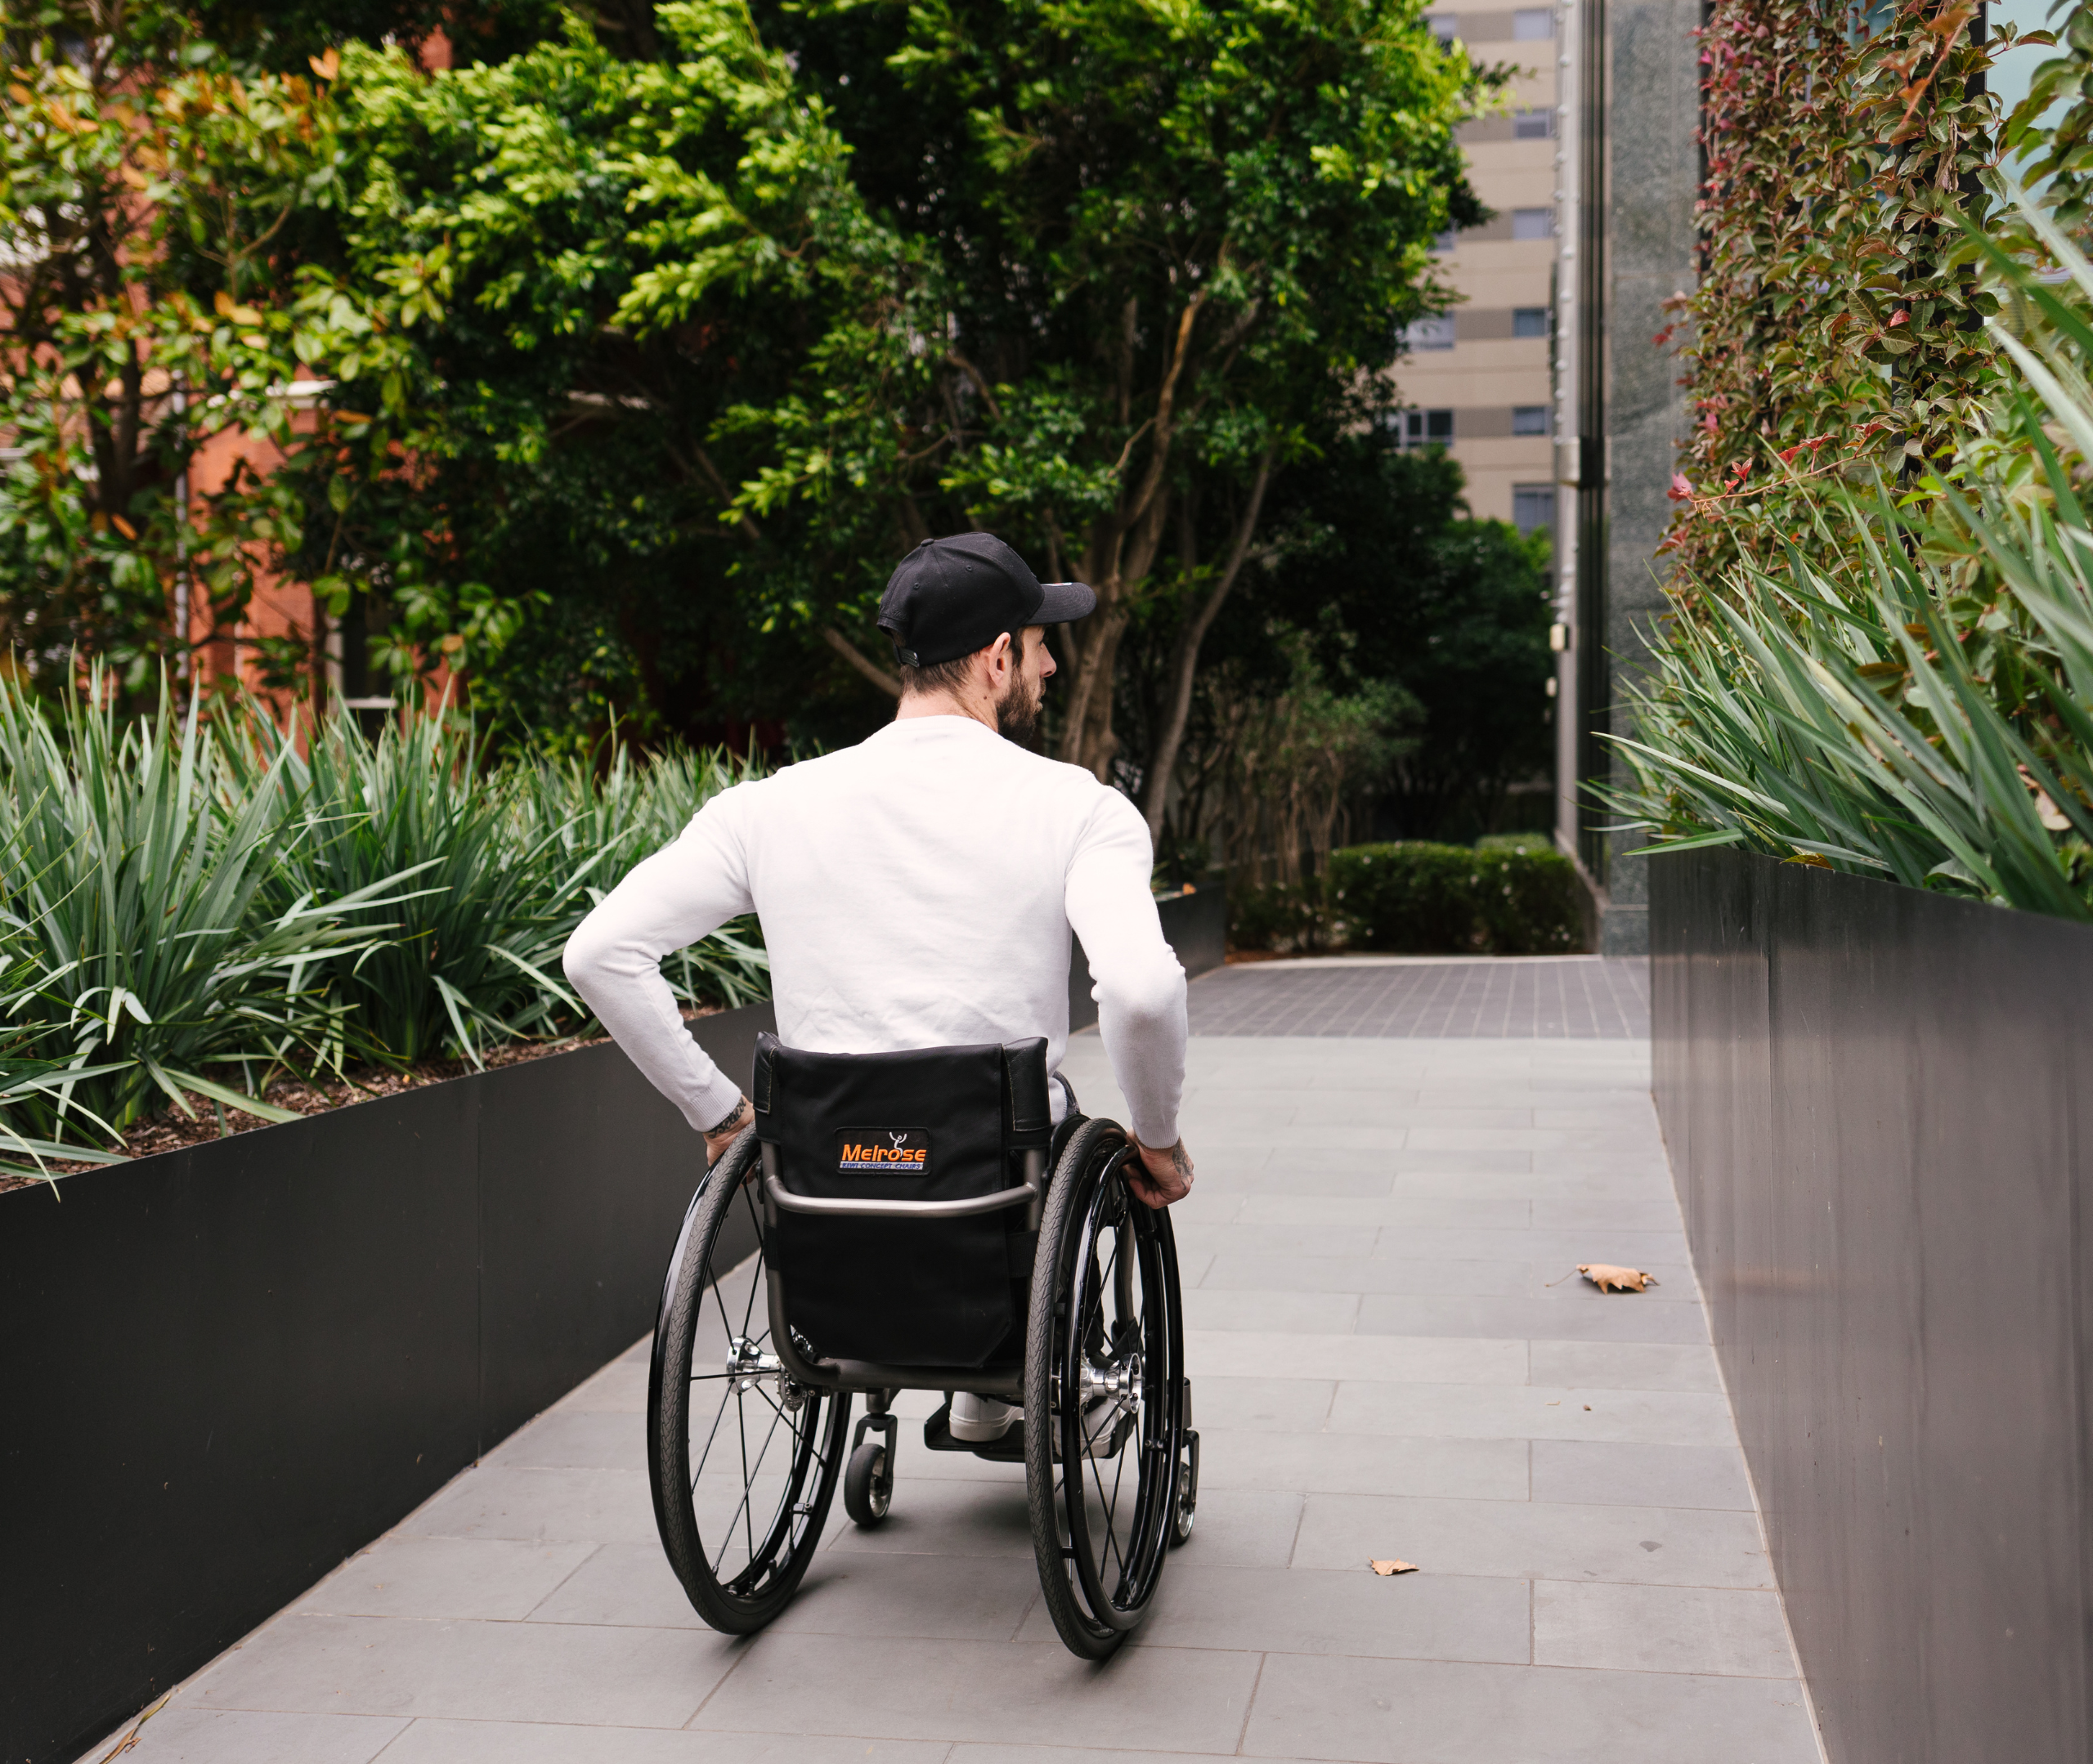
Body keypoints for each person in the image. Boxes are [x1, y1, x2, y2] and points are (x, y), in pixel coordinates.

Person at [562, 531, 1194, 1444]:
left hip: (826, 1174)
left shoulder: (766, 807)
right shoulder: (1078, 808)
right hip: (998, 1180)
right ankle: (1002, 1383)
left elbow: (600, 954)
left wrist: (716, 1113)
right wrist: (1160, 1139)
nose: (1052, 665)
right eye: (1041, 643)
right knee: (1068, 1141)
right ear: (998, 655)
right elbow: (1138, 991)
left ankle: (955, 1382)